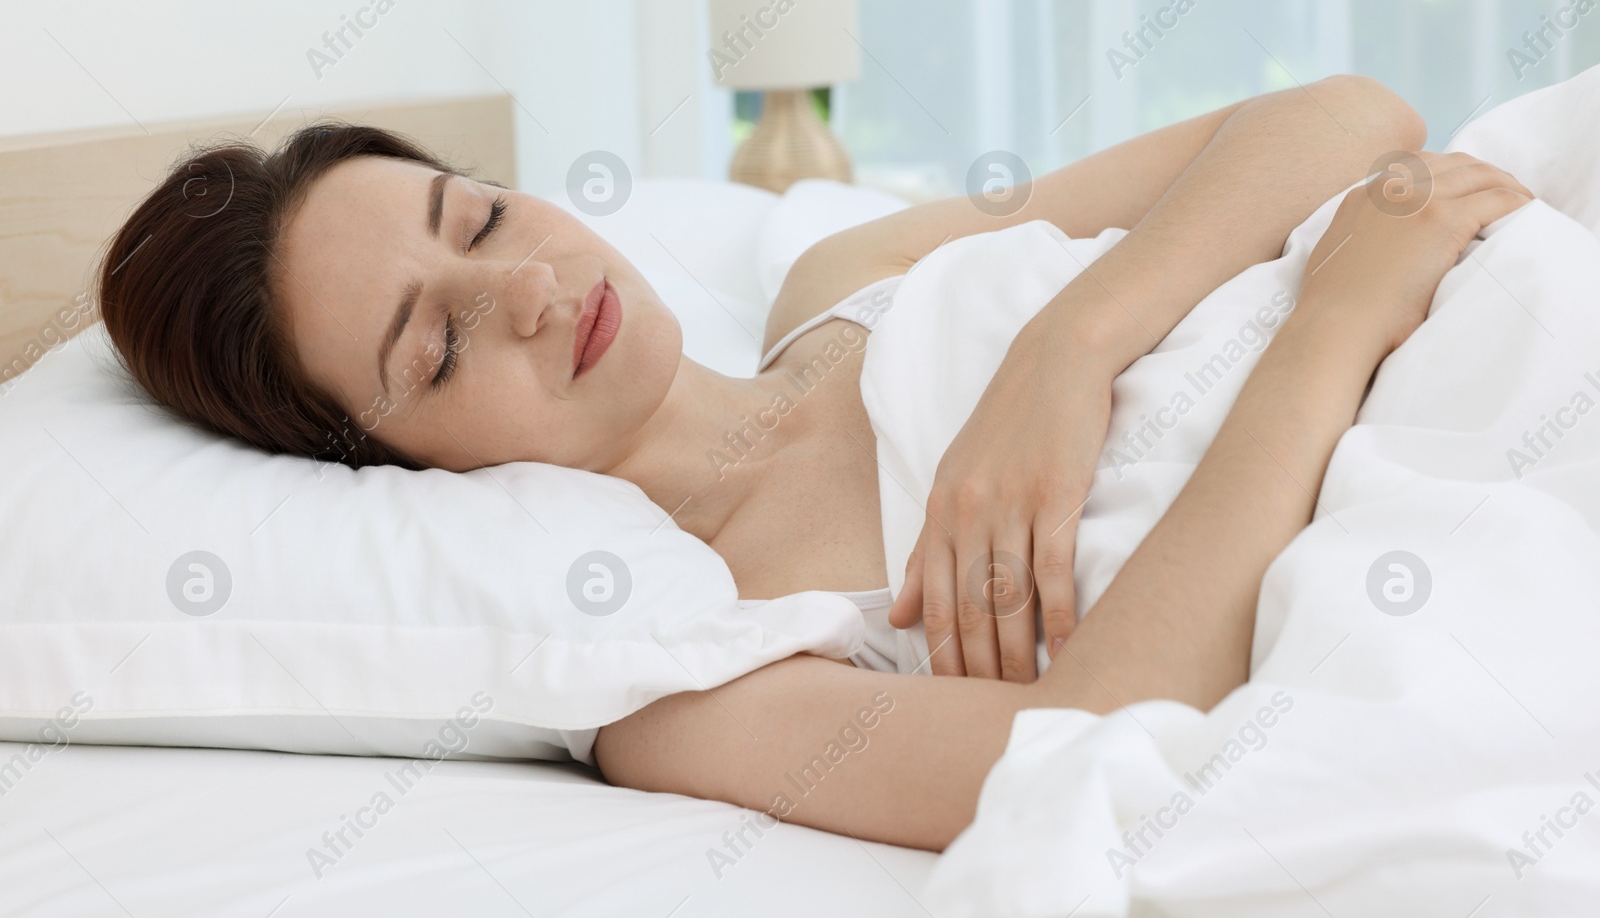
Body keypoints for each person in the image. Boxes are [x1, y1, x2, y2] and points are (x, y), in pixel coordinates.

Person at [96, 76, 1532, 850]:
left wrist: (1070, 348)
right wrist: (1334, 325)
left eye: (476, 220)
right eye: (436, 353)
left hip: (1497, 271)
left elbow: (1349, 118)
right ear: (390, 470)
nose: (527, 290)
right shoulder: (684, 682)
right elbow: (1097, 732)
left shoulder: (846, 276)